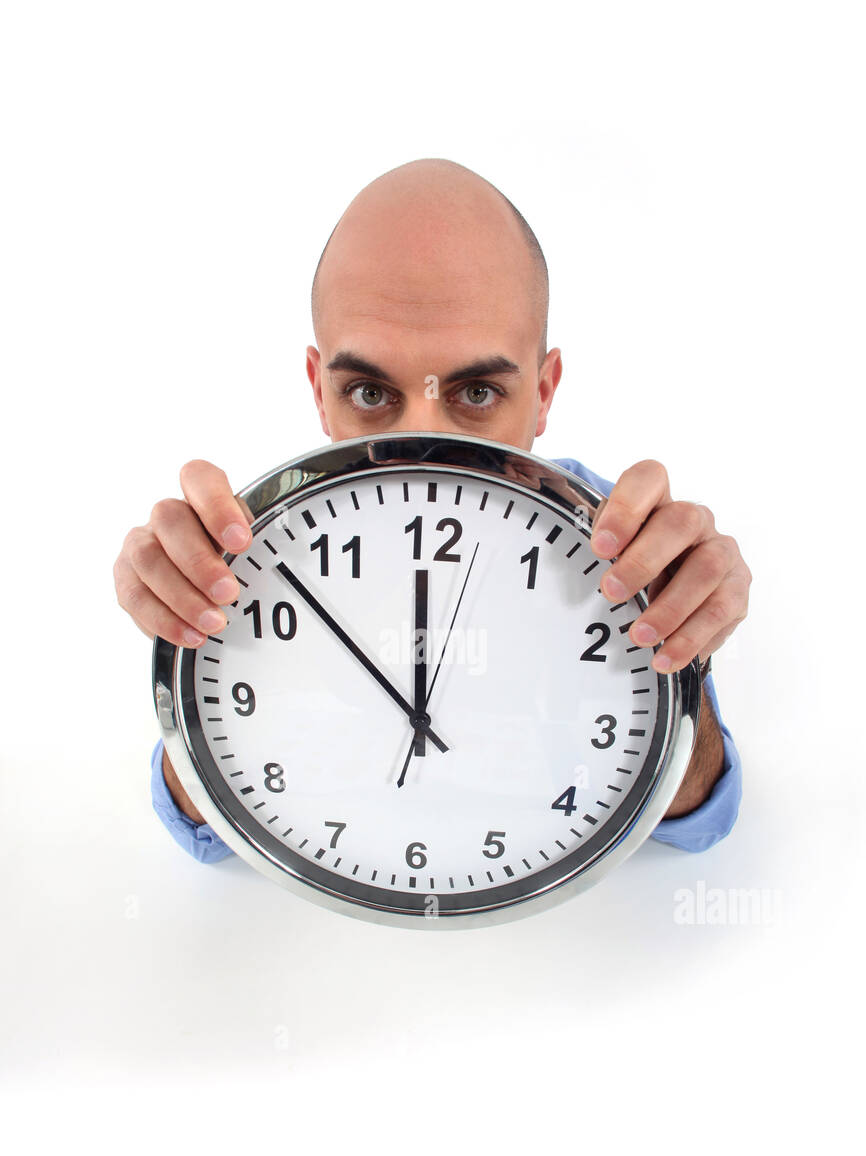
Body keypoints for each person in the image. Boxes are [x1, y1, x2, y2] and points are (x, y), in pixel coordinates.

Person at [114, 159, 750, 865]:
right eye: (369, 394)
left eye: (476, 394)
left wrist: (688, 665)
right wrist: (184, 648)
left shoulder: (615, 541)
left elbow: (693, 820)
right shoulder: (263, 551)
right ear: (319, 391)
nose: (422, 448)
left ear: (543, 392)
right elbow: (208, 833)